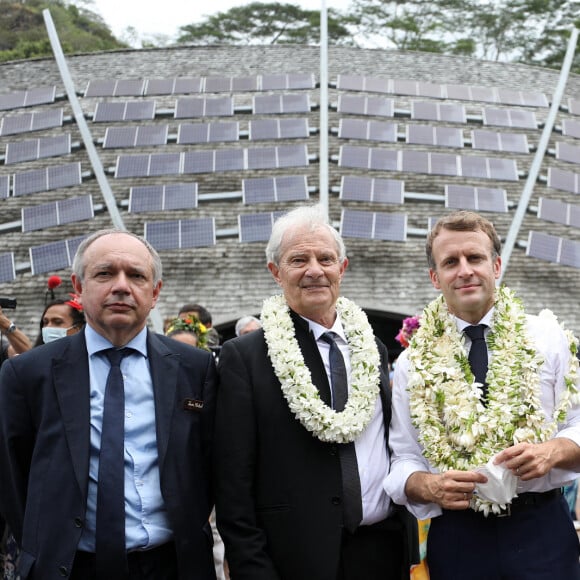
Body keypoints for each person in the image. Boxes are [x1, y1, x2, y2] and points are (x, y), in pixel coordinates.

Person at [0, 229, 217, 580]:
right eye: (105, 273)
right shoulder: (27, 374)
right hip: (68, 567)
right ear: (79, 287)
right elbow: (13, 482)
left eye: (136, 275)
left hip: (173, 566)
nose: (120, 286)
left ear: (155, 292)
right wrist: (45, 544)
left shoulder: (195, 368)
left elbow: (205, 467)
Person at [214, 204, 416, 580]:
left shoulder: (372, 347)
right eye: (298, 259)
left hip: (383, 551)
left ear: (343, 267)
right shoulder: (245, 357)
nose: (314, 270)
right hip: (294, 559)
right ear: (276, 272)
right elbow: (232, 482)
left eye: (326, 258)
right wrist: (252, 567)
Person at [384, 210, 580, 579]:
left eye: (474, 258)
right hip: (459, 536)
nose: (464, 270)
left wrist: (551, 452)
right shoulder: (413, 361)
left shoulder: (548, 337)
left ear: (496, 265)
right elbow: (404, 457)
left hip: (541, 528)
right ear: (434, 277)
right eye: (450, 262)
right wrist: (429, 485)